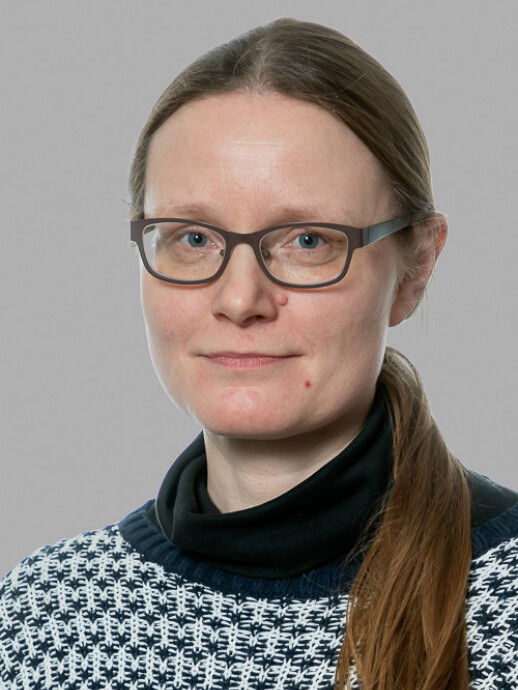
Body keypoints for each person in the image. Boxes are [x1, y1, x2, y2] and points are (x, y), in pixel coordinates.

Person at [1, 17, 517, 690]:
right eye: (192, 238)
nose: (240, 298)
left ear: (415, 269)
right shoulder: (47, 616)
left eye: (307, 241)